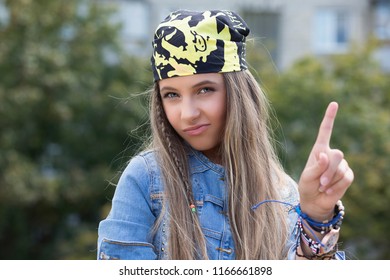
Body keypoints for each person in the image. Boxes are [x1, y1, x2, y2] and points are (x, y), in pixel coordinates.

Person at [97, 9, 354, 260]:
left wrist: (317, 216)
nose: (188, 113)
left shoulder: (283, 193)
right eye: (172, 94)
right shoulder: (146, 179)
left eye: (205, 90)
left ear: (237, 93)